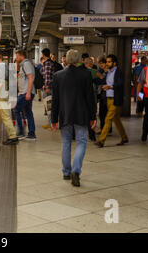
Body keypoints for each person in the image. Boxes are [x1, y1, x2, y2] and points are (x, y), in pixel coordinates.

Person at [51, 50, 97, 187]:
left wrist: (54, 118)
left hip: (65, 114)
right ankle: (76, 171)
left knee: (66, 143)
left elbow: (55, 100)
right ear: (78, 61)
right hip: (82, 114)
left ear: (66, 60)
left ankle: (66, 172)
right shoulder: (86, 74)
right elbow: (90, 97)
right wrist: (93, 116)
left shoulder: (58, 75)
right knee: (81, 141)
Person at [95, 54, 129, 148]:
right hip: (108, 98)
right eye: (107, 61)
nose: (107, 63)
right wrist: (98, 78)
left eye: (109, 62)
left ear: (114, 63)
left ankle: (101, 140)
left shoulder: (118, 72)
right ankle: (124, 137)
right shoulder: (108, 72)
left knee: (108, 118)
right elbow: (104, 82)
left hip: (116, 98)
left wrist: (110, 87)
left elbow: (120, 84)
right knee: (116, 119)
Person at [14, 50, 36, 140]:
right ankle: (31, 134)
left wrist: (28, 92)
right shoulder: (23, 65)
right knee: (28, 113)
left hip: (25, 93)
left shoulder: (26, 64)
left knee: (16, 109)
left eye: (17, 56)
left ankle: (21, 132)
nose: (16, 58)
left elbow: (31, 78)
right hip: (25, 92)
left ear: (20, 56)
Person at [41, 48, 54, 128]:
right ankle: (51, 123)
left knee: (49, 106)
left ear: (43, 54)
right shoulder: (51, 62)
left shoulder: (47, 63)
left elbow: (47, 76)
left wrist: (47, 87)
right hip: (51, 86)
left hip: (48, 88)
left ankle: (50, 124)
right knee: (50, 106)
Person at [95, 57, 108, 134]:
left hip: (107, 94)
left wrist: (101, 77)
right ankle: (104, 128)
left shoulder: (110, 71)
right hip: (102, 94)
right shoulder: (100, 70)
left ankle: (105, 129)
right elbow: (98, 81)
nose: (100, 65)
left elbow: (105, 81)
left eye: (101, 63)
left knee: (105, 113)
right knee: (102, 113)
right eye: (99, 64)